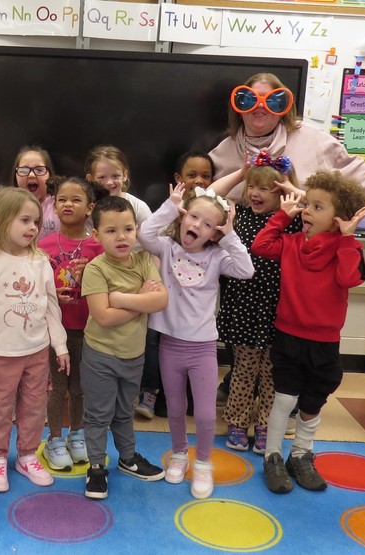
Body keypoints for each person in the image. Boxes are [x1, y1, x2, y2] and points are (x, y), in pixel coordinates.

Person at [252, 171, 365, 494]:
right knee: (284, 396)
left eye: (318, 207)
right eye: (307, 204)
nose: (306, 211)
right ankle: (272, 456)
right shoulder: (291, 243)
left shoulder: (348, 249)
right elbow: (260, 245)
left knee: (313, 400)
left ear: (339, 219)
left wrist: (347, 239)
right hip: (288, 336)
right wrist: (281, 216)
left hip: (324, 343)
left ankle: (301, 455)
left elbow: (349, 278)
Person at [139, 184, 254, 497]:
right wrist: (171, 205)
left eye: (207, 224)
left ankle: (203, 464)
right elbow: (144, 235)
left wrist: (230, 235)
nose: (196, 226)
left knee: (204, 414)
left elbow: (246, 270)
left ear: (214, 233)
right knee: (175, 407)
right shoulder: (166, 247)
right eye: (193, 217)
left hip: (202, 348)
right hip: (169, 344)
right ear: (182, 218)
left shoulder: (218, 257)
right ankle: (179, 454)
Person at [210, 72, 365, 212]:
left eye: (272, 101)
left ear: (284, 109)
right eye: (249, 100)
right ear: (238, 108)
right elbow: (201, 199)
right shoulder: (224, 152)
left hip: (300, 254)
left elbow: (353, 173)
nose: (260, 107)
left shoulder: (313, 140)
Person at [0, 187, 69, 493]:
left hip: (36, 352)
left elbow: (51, 305)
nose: (33, 228)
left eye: (36, 221)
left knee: (34, 407)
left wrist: (60, 345)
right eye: (25, 220)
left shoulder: (40, 260)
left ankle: (26, 455)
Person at [211, 150, 302, 455]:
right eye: (252, 186)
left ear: (282, 191)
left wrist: (292, 188)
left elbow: (324, 207)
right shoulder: (239, 213)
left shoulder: (294, 219)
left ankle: (266, 425)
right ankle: (236, 422)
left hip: (279, 308)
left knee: (272, 374)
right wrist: (241, 173)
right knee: (243, 370)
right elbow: (207, 196)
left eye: (265, 188)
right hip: (243, 306)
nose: (254, 193)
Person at [81, 195, 169, 500]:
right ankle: (95, 467)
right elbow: (103, 317)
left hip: (134, 355)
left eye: (128, 229)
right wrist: (138, 302)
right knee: (98, 414)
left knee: (124, 412)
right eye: (111, 231)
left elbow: (160, 300)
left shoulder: (144, 261)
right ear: (96, 235)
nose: (121, 237)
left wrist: (119, 298)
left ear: (136, 231)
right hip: (100, 356)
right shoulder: (96, 269)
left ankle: (128, 458)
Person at [136, 151, 216, 420]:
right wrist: (172, 207)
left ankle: (191, 395)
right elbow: (147, 234)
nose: (199, 181)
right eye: (192, 175)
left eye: (206, 176)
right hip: (164, 300)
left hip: (196, 308)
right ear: (178, 178)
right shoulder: (171, 212)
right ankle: (151, 392)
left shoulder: (215, 212)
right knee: (156, 343)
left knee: (193, 351)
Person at [37, 176, 103, 471]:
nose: (68, 204)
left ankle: (77, 434)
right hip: (54, 330)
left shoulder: (99, 247)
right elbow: (35, 287)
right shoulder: (43, 245)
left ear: (90, 208)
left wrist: (91, 272)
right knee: (56, 387)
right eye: (62, 199)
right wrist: (54, 295)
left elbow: (110, 284)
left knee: (79, 388)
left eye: (76, 200)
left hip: (88, 329)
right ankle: (53, 438)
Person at [0, 145, 59, 240]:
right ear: (16, 176)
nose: (31, 175)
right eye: (24, 170)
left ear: (50, 175)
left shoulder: (58, 204)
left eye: (39, 170)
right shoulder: (8, 206)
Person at [84, 145, 153, 227]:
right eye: (102, 177)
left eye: (115, 176)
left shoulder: (139, 207)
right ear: (90, 179)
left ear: (125, 175)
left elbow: (153, 237)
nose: (109, 182)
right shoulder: (87, 210)